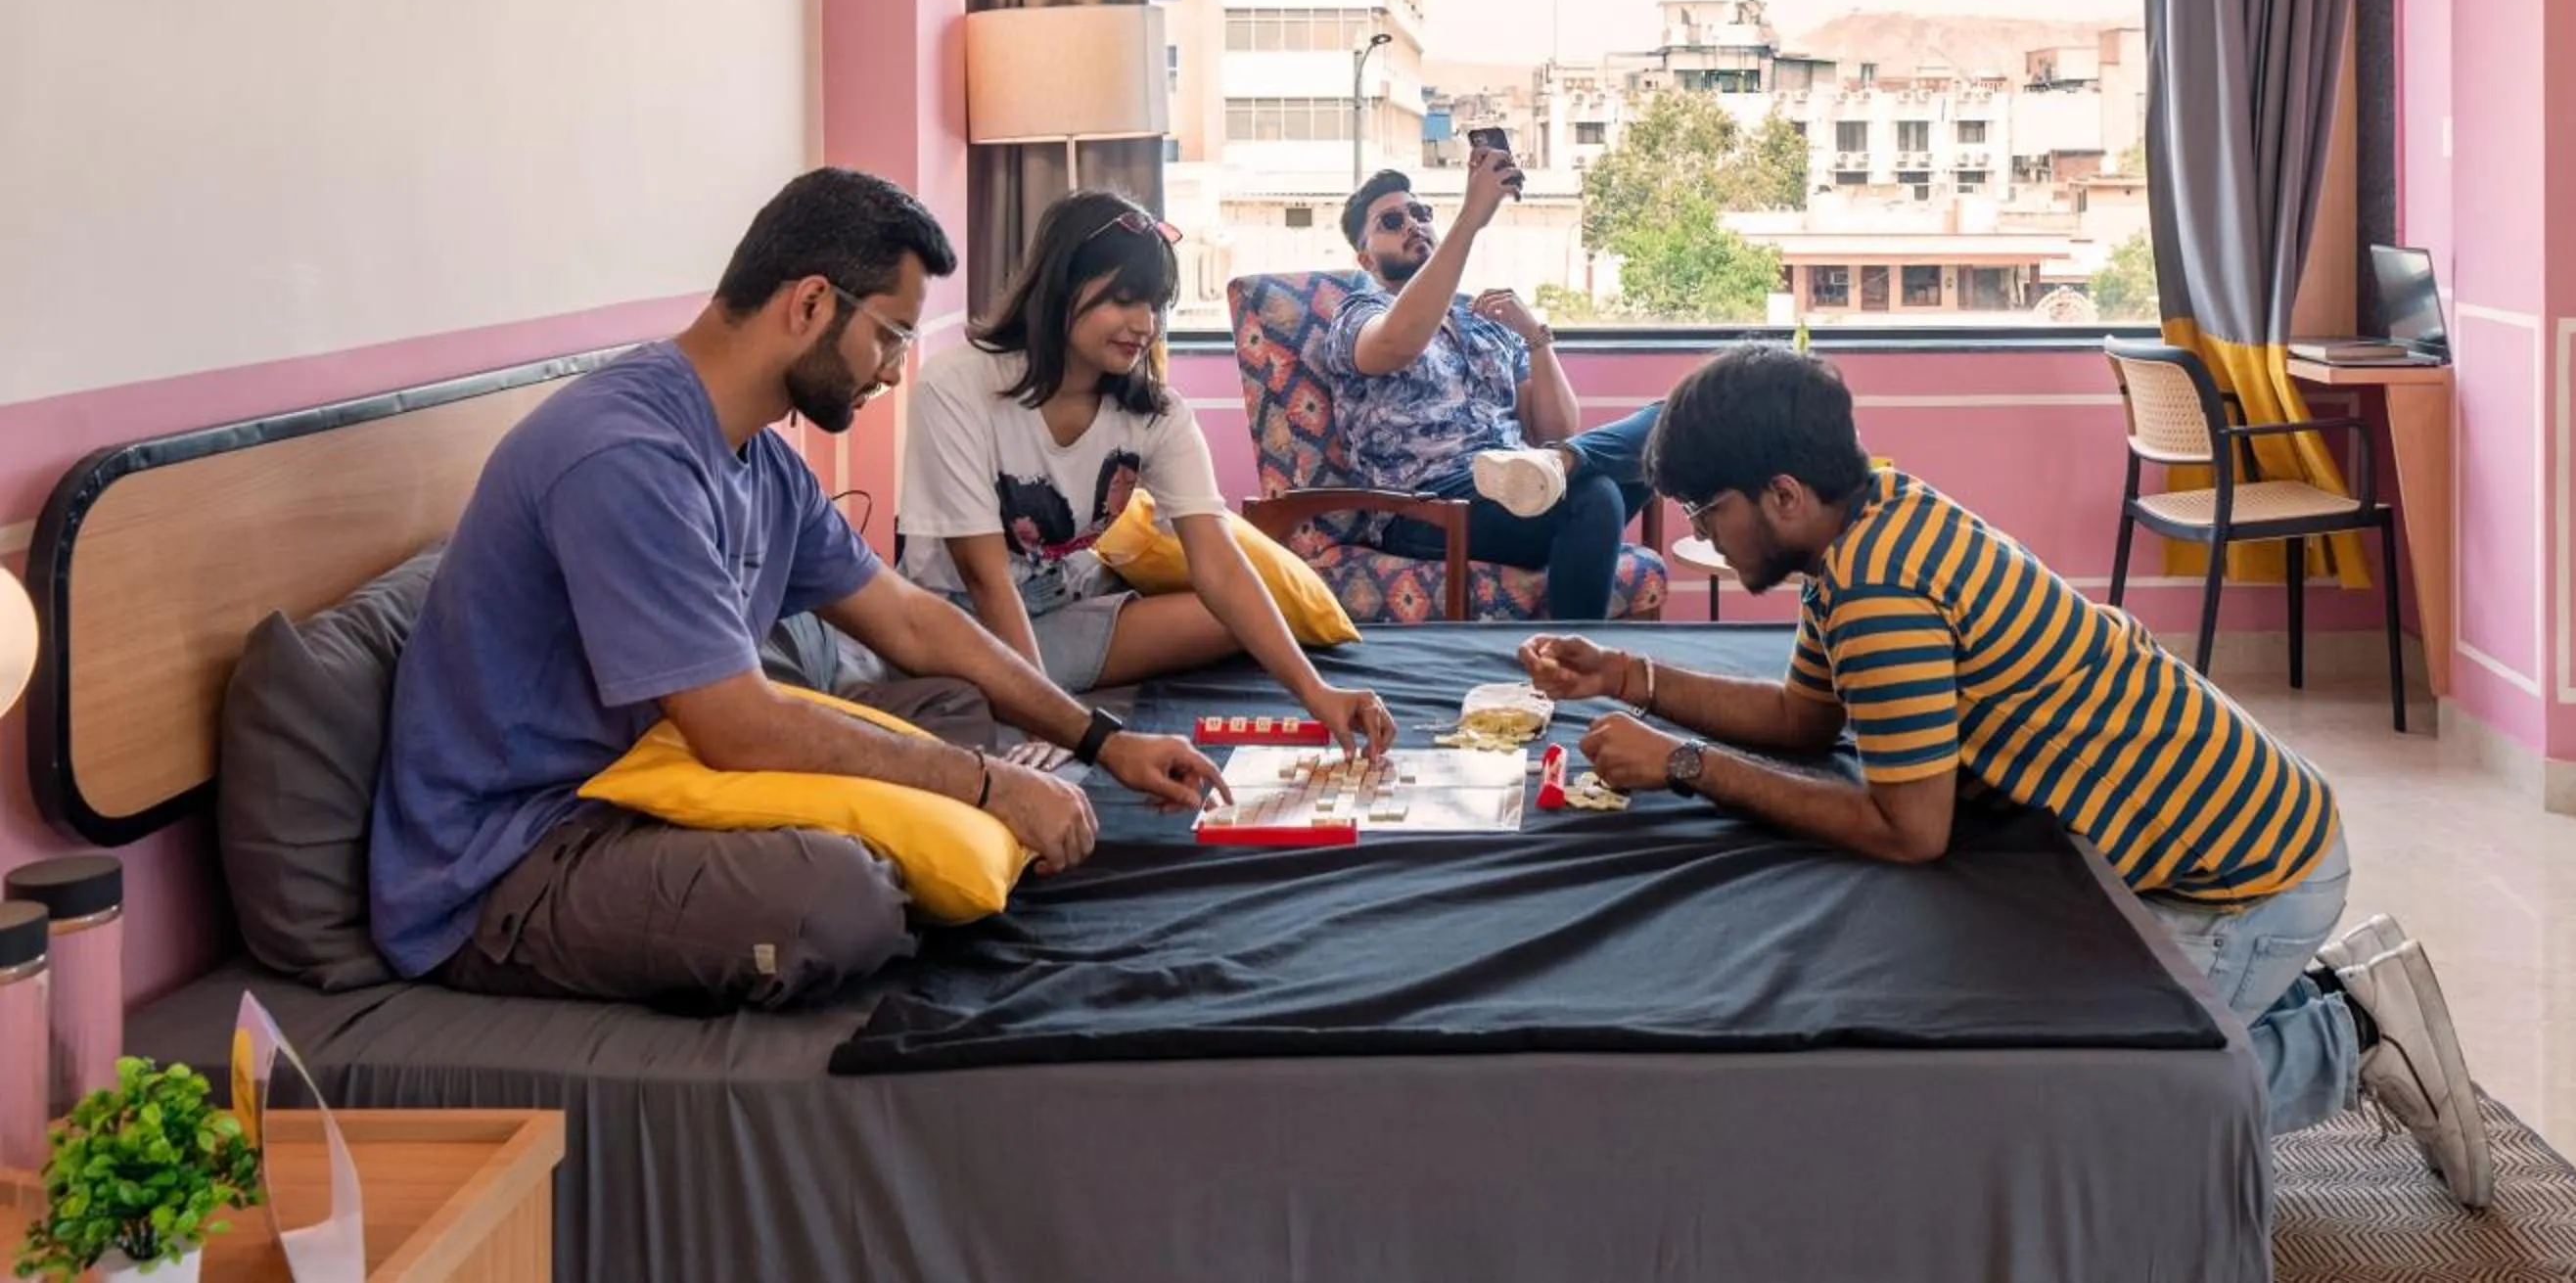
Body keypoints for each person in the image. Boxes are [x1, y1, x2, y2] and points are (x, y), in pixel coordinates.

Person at [1519, 343, 2495, 1209]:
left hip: (2247, 877)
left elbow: (1909, 830)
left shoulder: (1878, 590)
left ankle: (2356, 1032)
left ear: (1781, 495)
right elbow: (1804, 720)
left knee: (2083, 1125)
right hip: (2238, 828)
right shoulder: (1871, 523)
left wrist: (1686, 764)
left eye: (1709, 510)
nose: (1706, 535)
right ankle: (2333, 994)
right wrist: (1635, 678)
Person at [368, 168, 1233, 1013]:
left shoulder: (761, 459)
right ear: (812, 303)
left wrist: (1102, 742)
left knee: (953, 709)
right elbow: (737, 725)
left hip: (653, 783)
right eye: (892, 335)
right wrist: (985, 787)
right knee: (839, 901)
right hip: (518, 856)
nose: (894, 371)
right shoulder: (623, 456)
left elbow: (909, 618)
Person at [900, 189, 1397, 752]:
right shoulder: (956, 388)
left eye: (1156, 305)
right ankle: (1002, 690)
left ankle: (1021, 685)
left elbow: (1220, 566)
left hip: (1061, 607)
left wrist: (1317, 691)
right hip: (961, 622)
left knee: (1239, 618)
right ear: (1060, 286)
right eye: (1124, 299)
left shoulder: (1155, 414)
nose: (1144, 324)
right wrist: (1064, 730)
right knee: (961, 686)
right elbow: (985, 580)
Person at [1312, 156, 1659, 621]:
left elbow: (1552, 428)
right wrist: (1472, 218)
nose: (1412, 225)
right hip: (1429, 509)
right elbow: (1399, 342)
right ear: (1365, 258)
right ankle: (1570, 668)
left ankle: (1552, 474)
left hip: (1523, 483)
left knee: (1668, 426)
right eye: (1392, 221)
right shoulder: (1357, 314)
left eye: (1420, 214)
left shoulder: (1485, 321)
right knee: (1596, 496)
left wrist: (1535, 337)